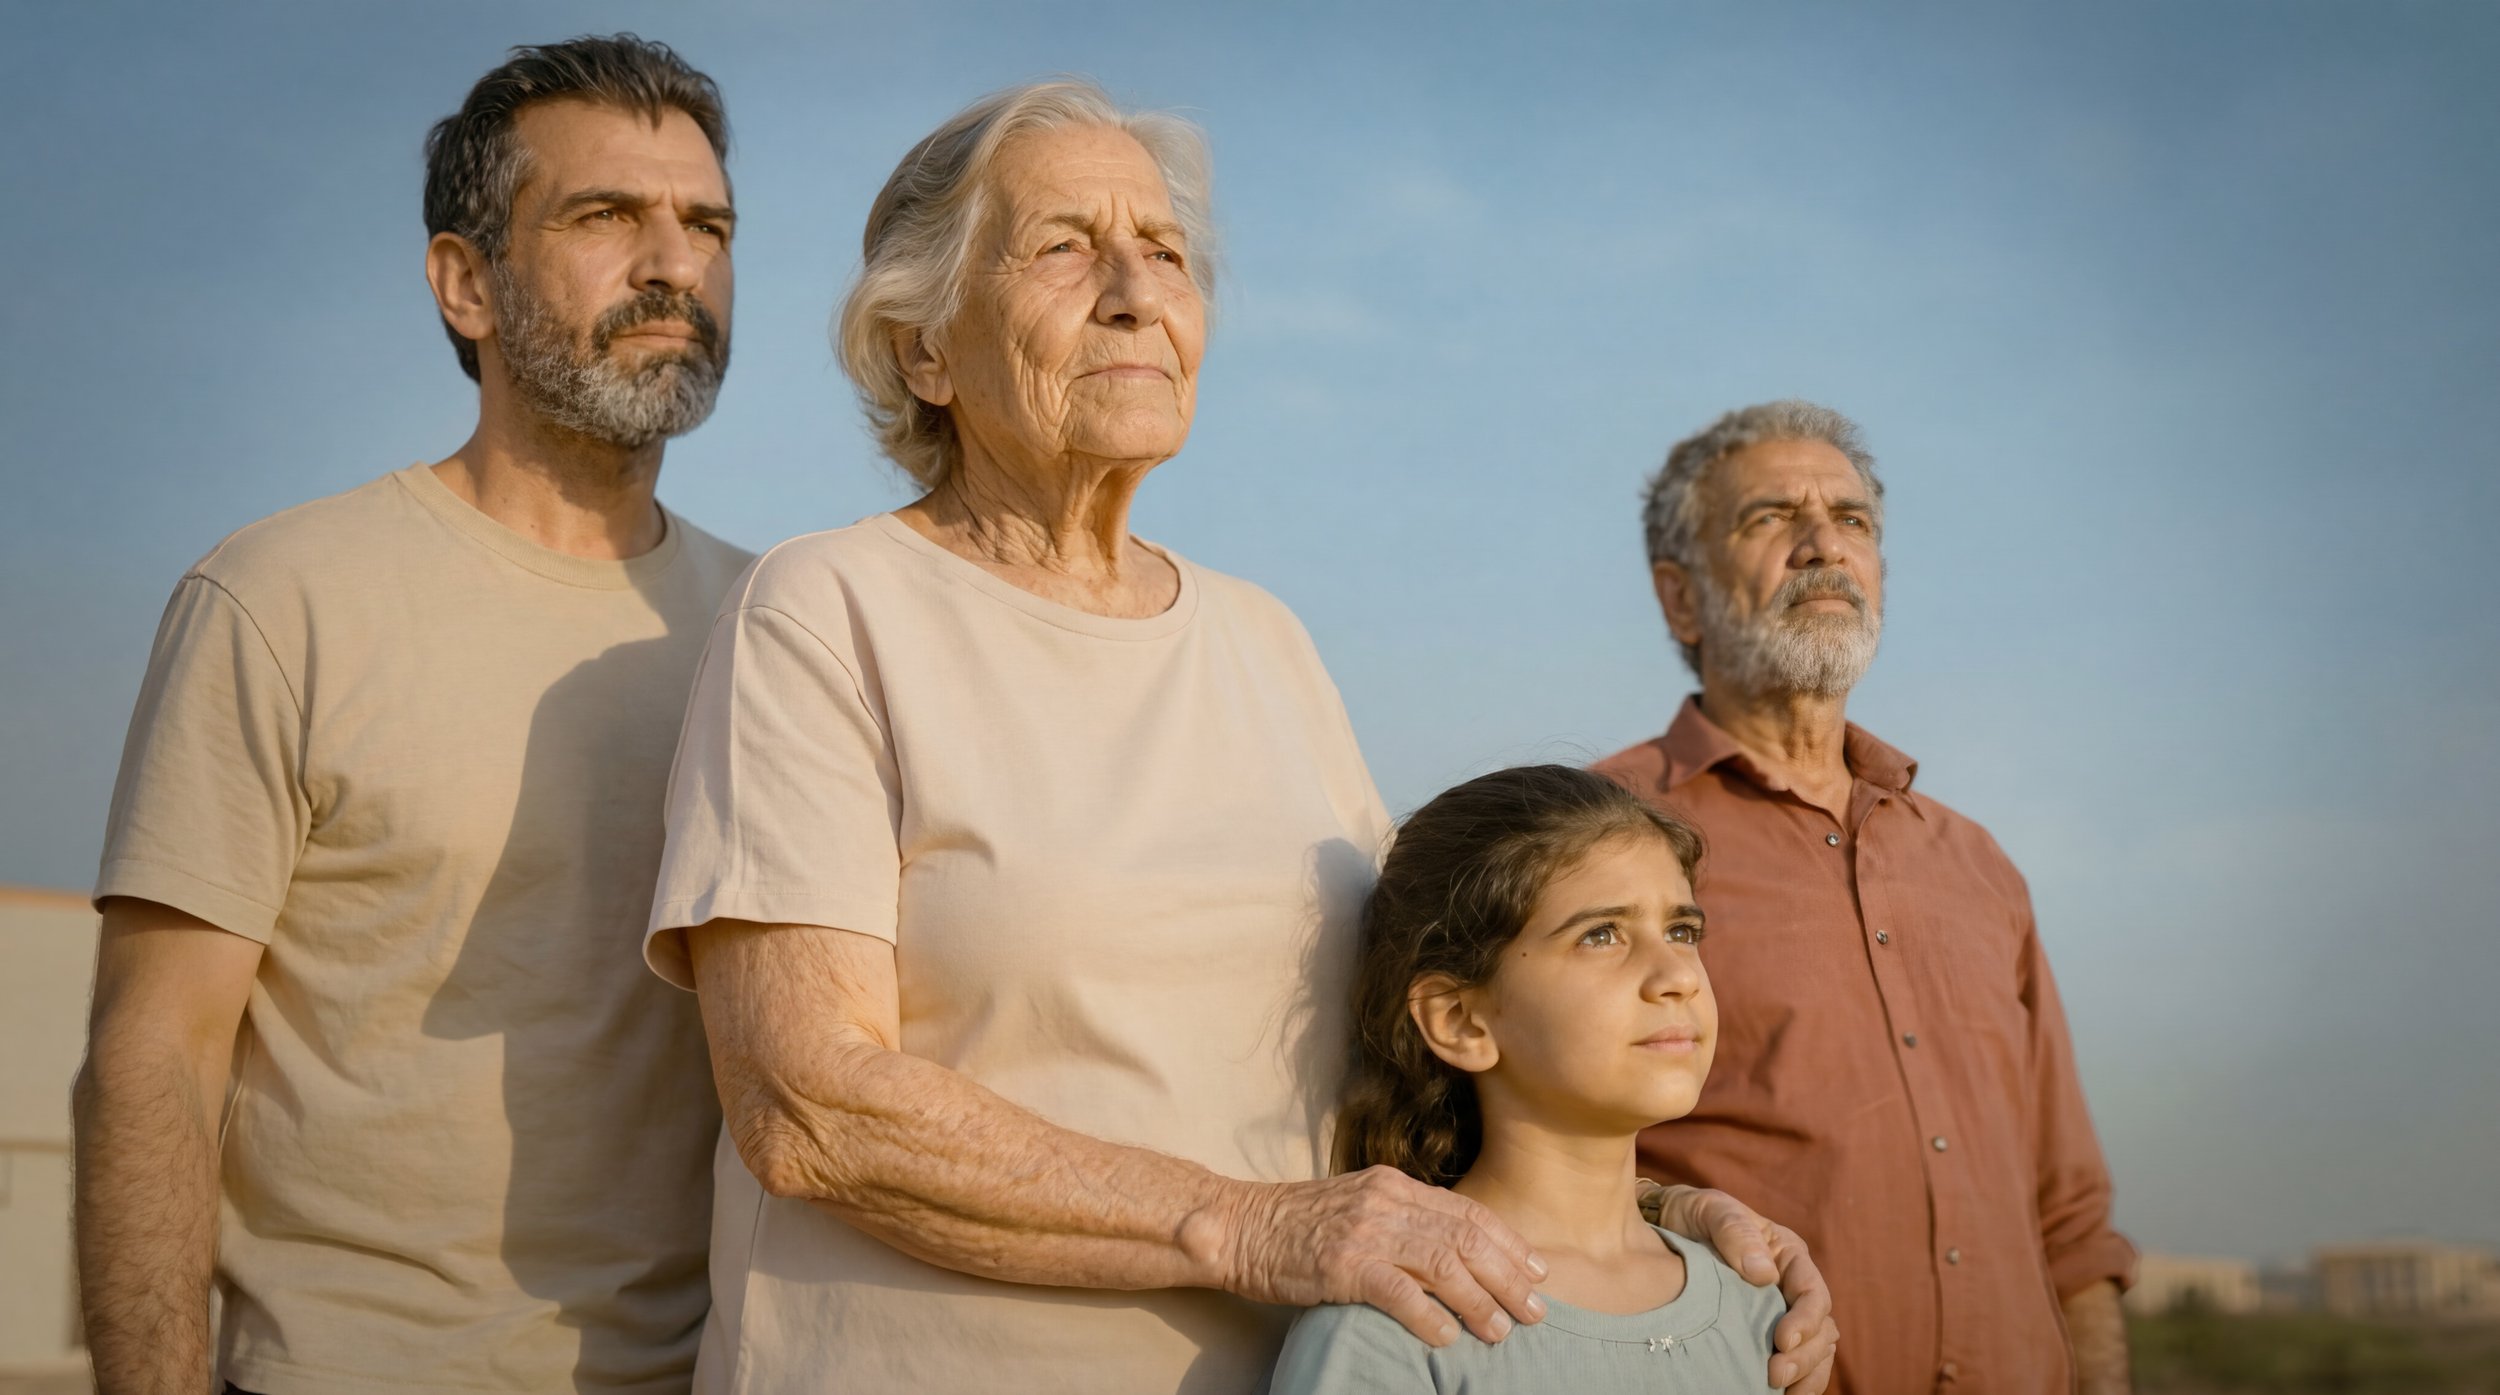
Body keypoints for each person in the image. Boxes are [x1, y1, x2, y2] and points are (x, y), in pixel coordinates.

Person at [643, 81, 1838, 1395]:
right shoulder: (826, 609)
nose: (1135, 293)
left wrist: (1652, 1226)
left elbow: (1431, 1043)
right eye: (1061, 247)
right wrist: (1250, 1222)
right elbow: (809, 1103)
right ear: (925, 348)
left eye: (1164, 253)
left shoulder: (1264, 639)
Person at [75, 36, 752, 1394]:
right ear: (464, 283)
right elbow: (155, 1059)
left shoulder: (775, 629)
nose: (673, 262)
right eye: (606, 216)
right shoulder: (282, 596)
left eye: (706, 224)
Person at [1593, 400, 2136, 1394]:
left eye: (1851, 521)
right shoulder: (1590, 836)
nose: (1820, 547)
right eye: (1767, 520)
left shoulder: (1976, 866)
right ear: (1680, 600)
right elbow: (1505, 1162)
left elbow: (2068, 1218)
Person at [1271, 765, 1788, 1393]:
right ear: (1461, 1020)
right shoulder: (1399, 1318)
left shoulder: (1758, 1304)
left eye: (1682, 931)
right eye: (1602, 935)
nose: (1676, 975)